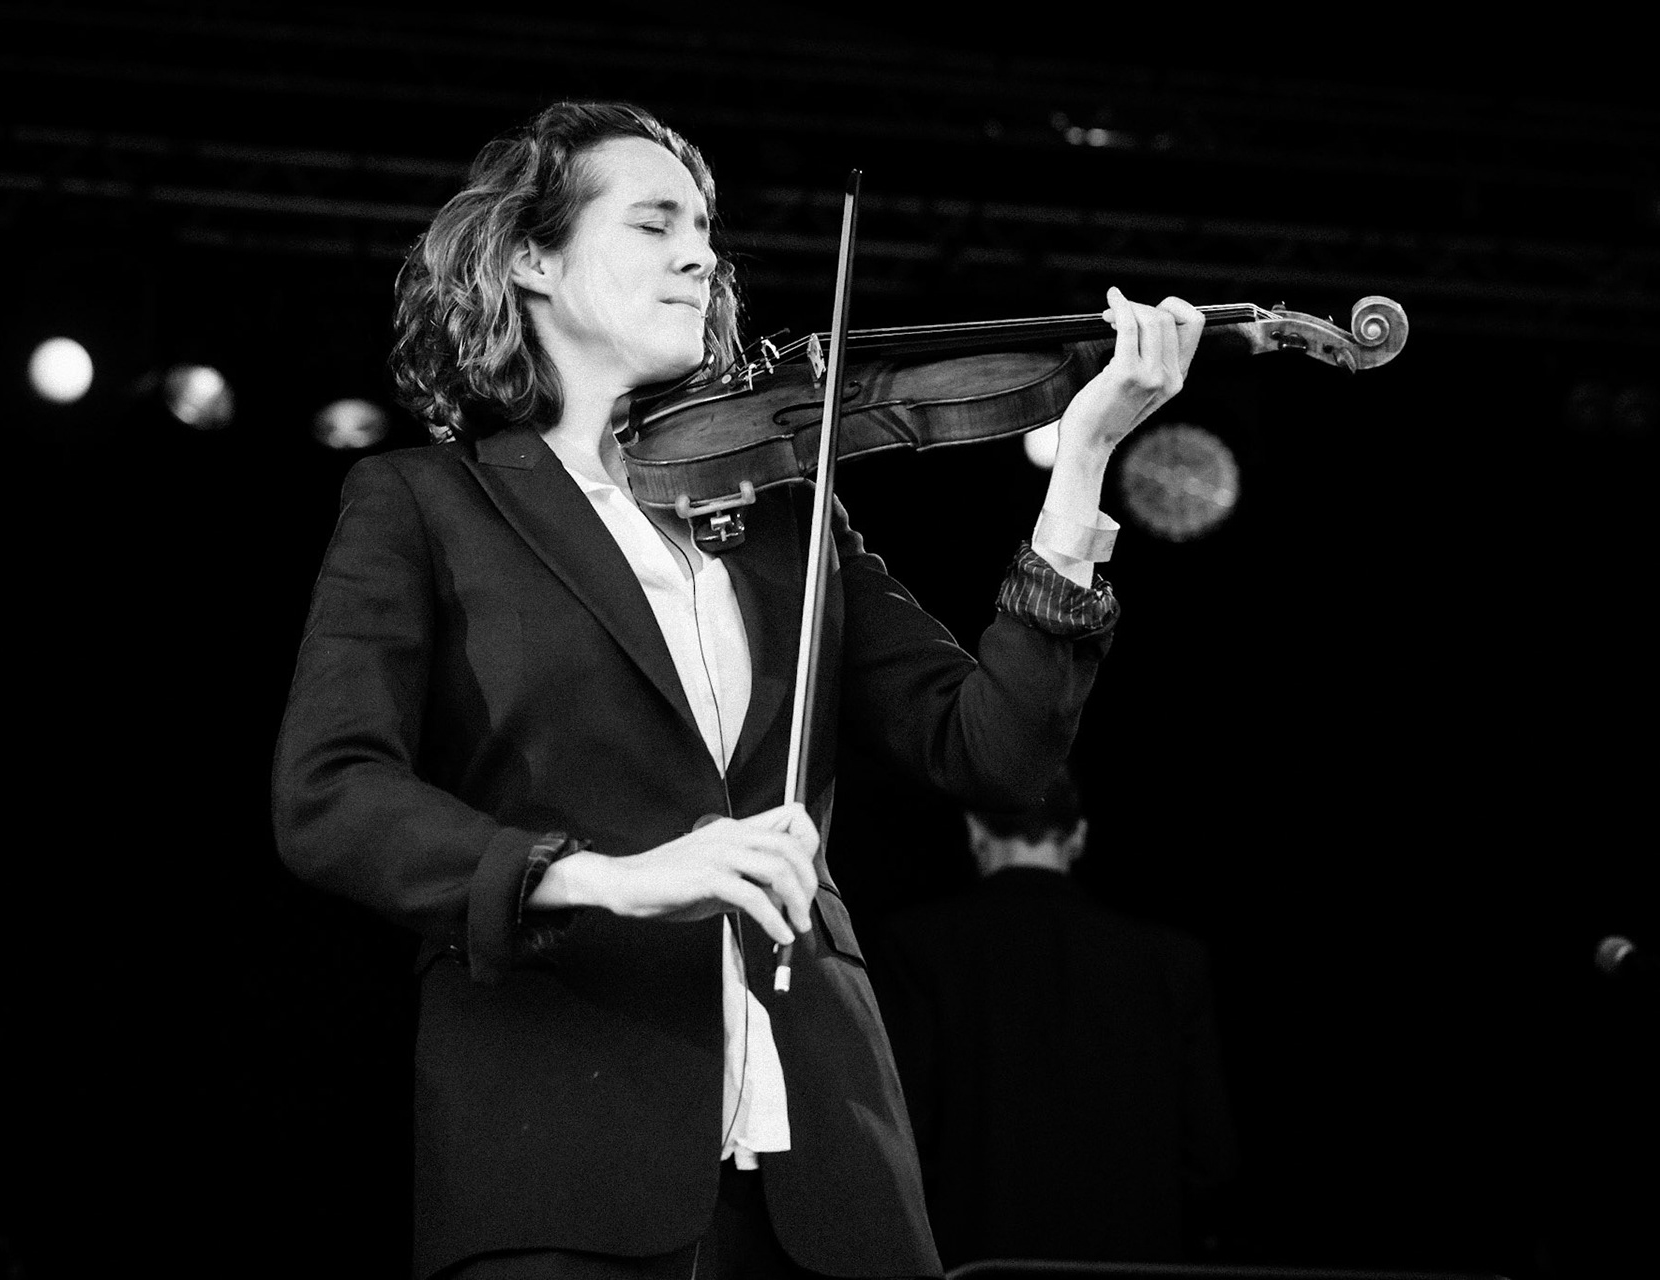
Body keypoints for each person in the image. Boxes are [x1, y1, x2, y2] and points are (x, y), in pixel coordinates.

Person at [270, 100, 1202, 1280]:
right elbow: (329, 791)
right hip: (560, 1134)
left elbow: (993, 752)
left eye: (704, 228)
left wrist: (1079, 474)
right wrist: (597, 875)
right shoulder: (425, 504)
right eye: (654, 221)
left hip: (826, 1152)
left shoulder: (783, 513)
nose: (700, 253)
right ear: (530, 259)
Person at [874, 771, 1240, 1269]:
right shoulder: (1170, 963)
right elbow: (1209, 1157)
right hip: (1136, 1265)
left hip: (976, 1264)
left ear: (974, 832)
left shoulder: (917, 949)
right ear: (1079, 836)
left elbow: (902, 1136)